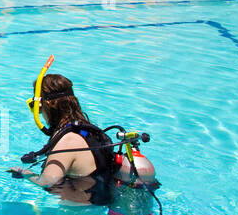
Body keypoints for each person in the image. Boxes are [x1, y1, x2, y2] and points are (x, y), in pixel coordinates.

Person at [11, 72, 156, 193]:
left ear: (46, 104)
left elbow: (48, 182)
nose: (38, 112)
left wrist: (26, 174)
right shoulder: (86, 130)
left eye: (35, 106)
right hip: (98, 202)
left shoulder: (67, 140)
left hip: (77, 210)